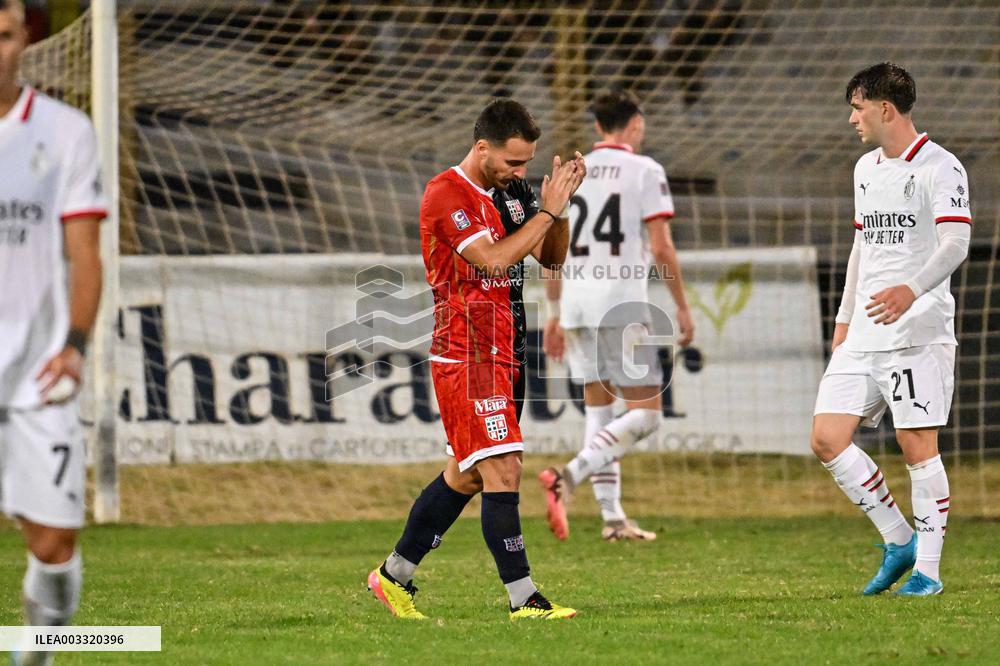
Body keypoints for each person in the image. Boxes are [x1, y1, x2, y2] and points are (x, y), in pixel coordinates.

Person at [367, 99, 585, 620]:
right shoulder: (446, 193)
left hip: (506, 350)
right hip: (467, 353)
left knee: (467, 476)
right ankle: (524, 599)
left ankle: (393, 576)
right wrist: (547, 213)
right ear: (482, 147)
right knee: (504, 468)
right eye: (513, 162)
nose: (521, 172)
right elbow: (491, 260)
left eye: (527, 162)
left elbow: (552, 259)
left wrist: (558, 208)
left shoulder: (514, 192)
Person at [811, 62, 972, 597]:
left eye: (857, 108)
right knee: (827, 438)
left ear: (885, 108)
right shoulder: (865, 168)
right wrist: (844, 319)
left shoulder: (941, 166)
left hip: (917, 332)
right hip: (864, 333)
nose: (852, 118)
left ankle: (928, 571)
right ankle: (899, 539)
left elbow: (956, 243)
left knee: (916, 443)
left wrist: (912, 289)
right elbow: (862, 247)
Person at [0, 1, 108, 663]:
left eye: (3, 36)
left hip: (36, 373)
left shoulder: (66, 131)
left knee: (54, 545)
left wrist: (76, 345)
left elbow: (85, 253)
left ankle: (33, 657)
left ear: (25, 40)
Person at [539, 89, 694, 541]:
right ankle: (567, 476)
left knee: (600, 409)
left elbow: (551, 250)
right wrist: (682, 306)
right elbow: (661, 247)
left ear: (597, 126)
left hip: (575, 303)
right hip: (620, 302)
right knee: (647, 415)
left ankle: (612, 519)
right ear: (636, 124)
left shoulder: (573, 172)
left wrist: (553, 313)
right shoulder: (645, 170)